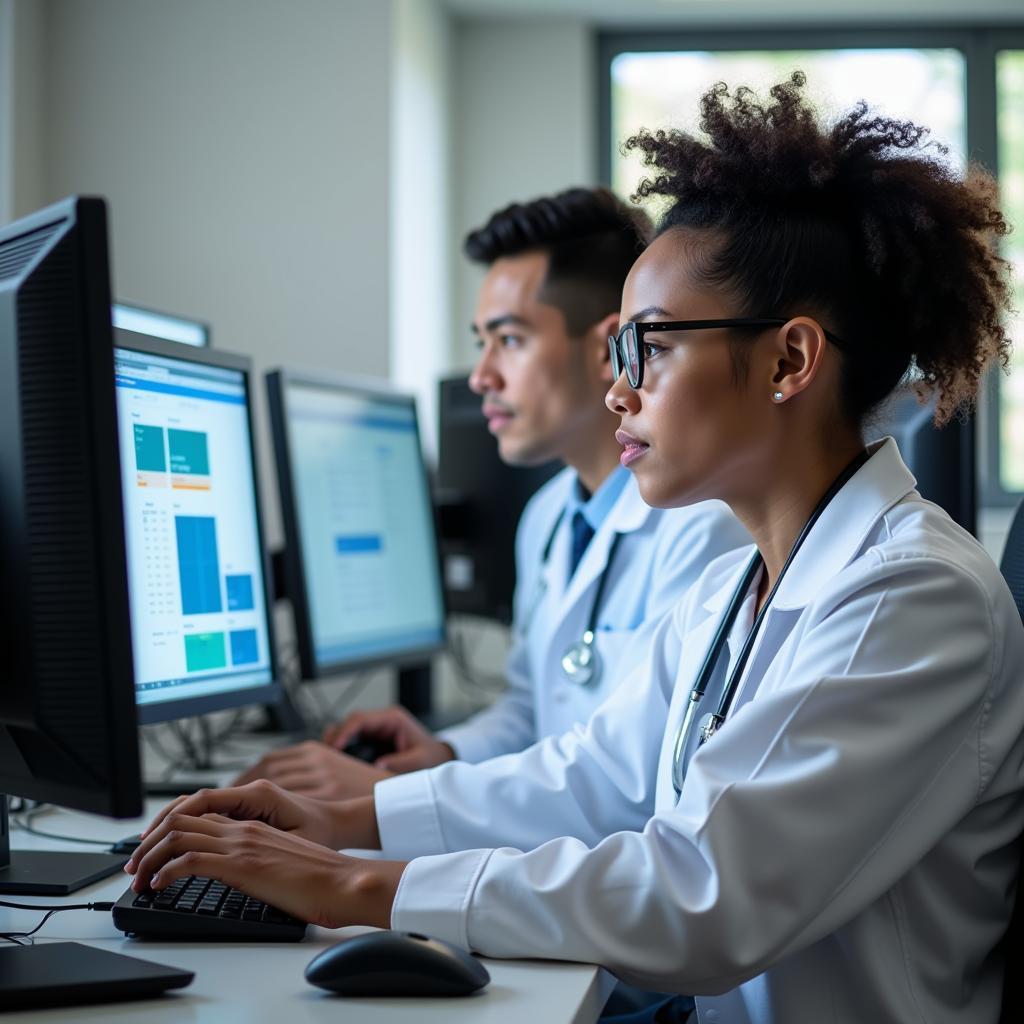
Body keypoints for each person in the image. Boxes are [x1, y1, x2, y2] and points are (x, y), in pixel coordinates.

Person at [126, 73, 1023, 1024]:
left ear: (789, 361)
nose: (617, 392)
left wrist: (353, 887)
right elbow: (596, 774)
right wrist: (348, 818)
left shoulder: (911, 597)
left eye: (650, 349)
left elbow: (700, 895)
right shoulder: (740, 583)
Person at [234, 187, 748, 799]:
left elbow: (630, 778)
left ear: (607, 348)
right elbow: (531, 712)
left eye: (508, 340)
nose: (481, 376)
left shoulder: (703, 525)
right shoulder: (549, 516)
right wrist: (442, 753)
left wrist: (379, 801)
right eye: (481, 342)